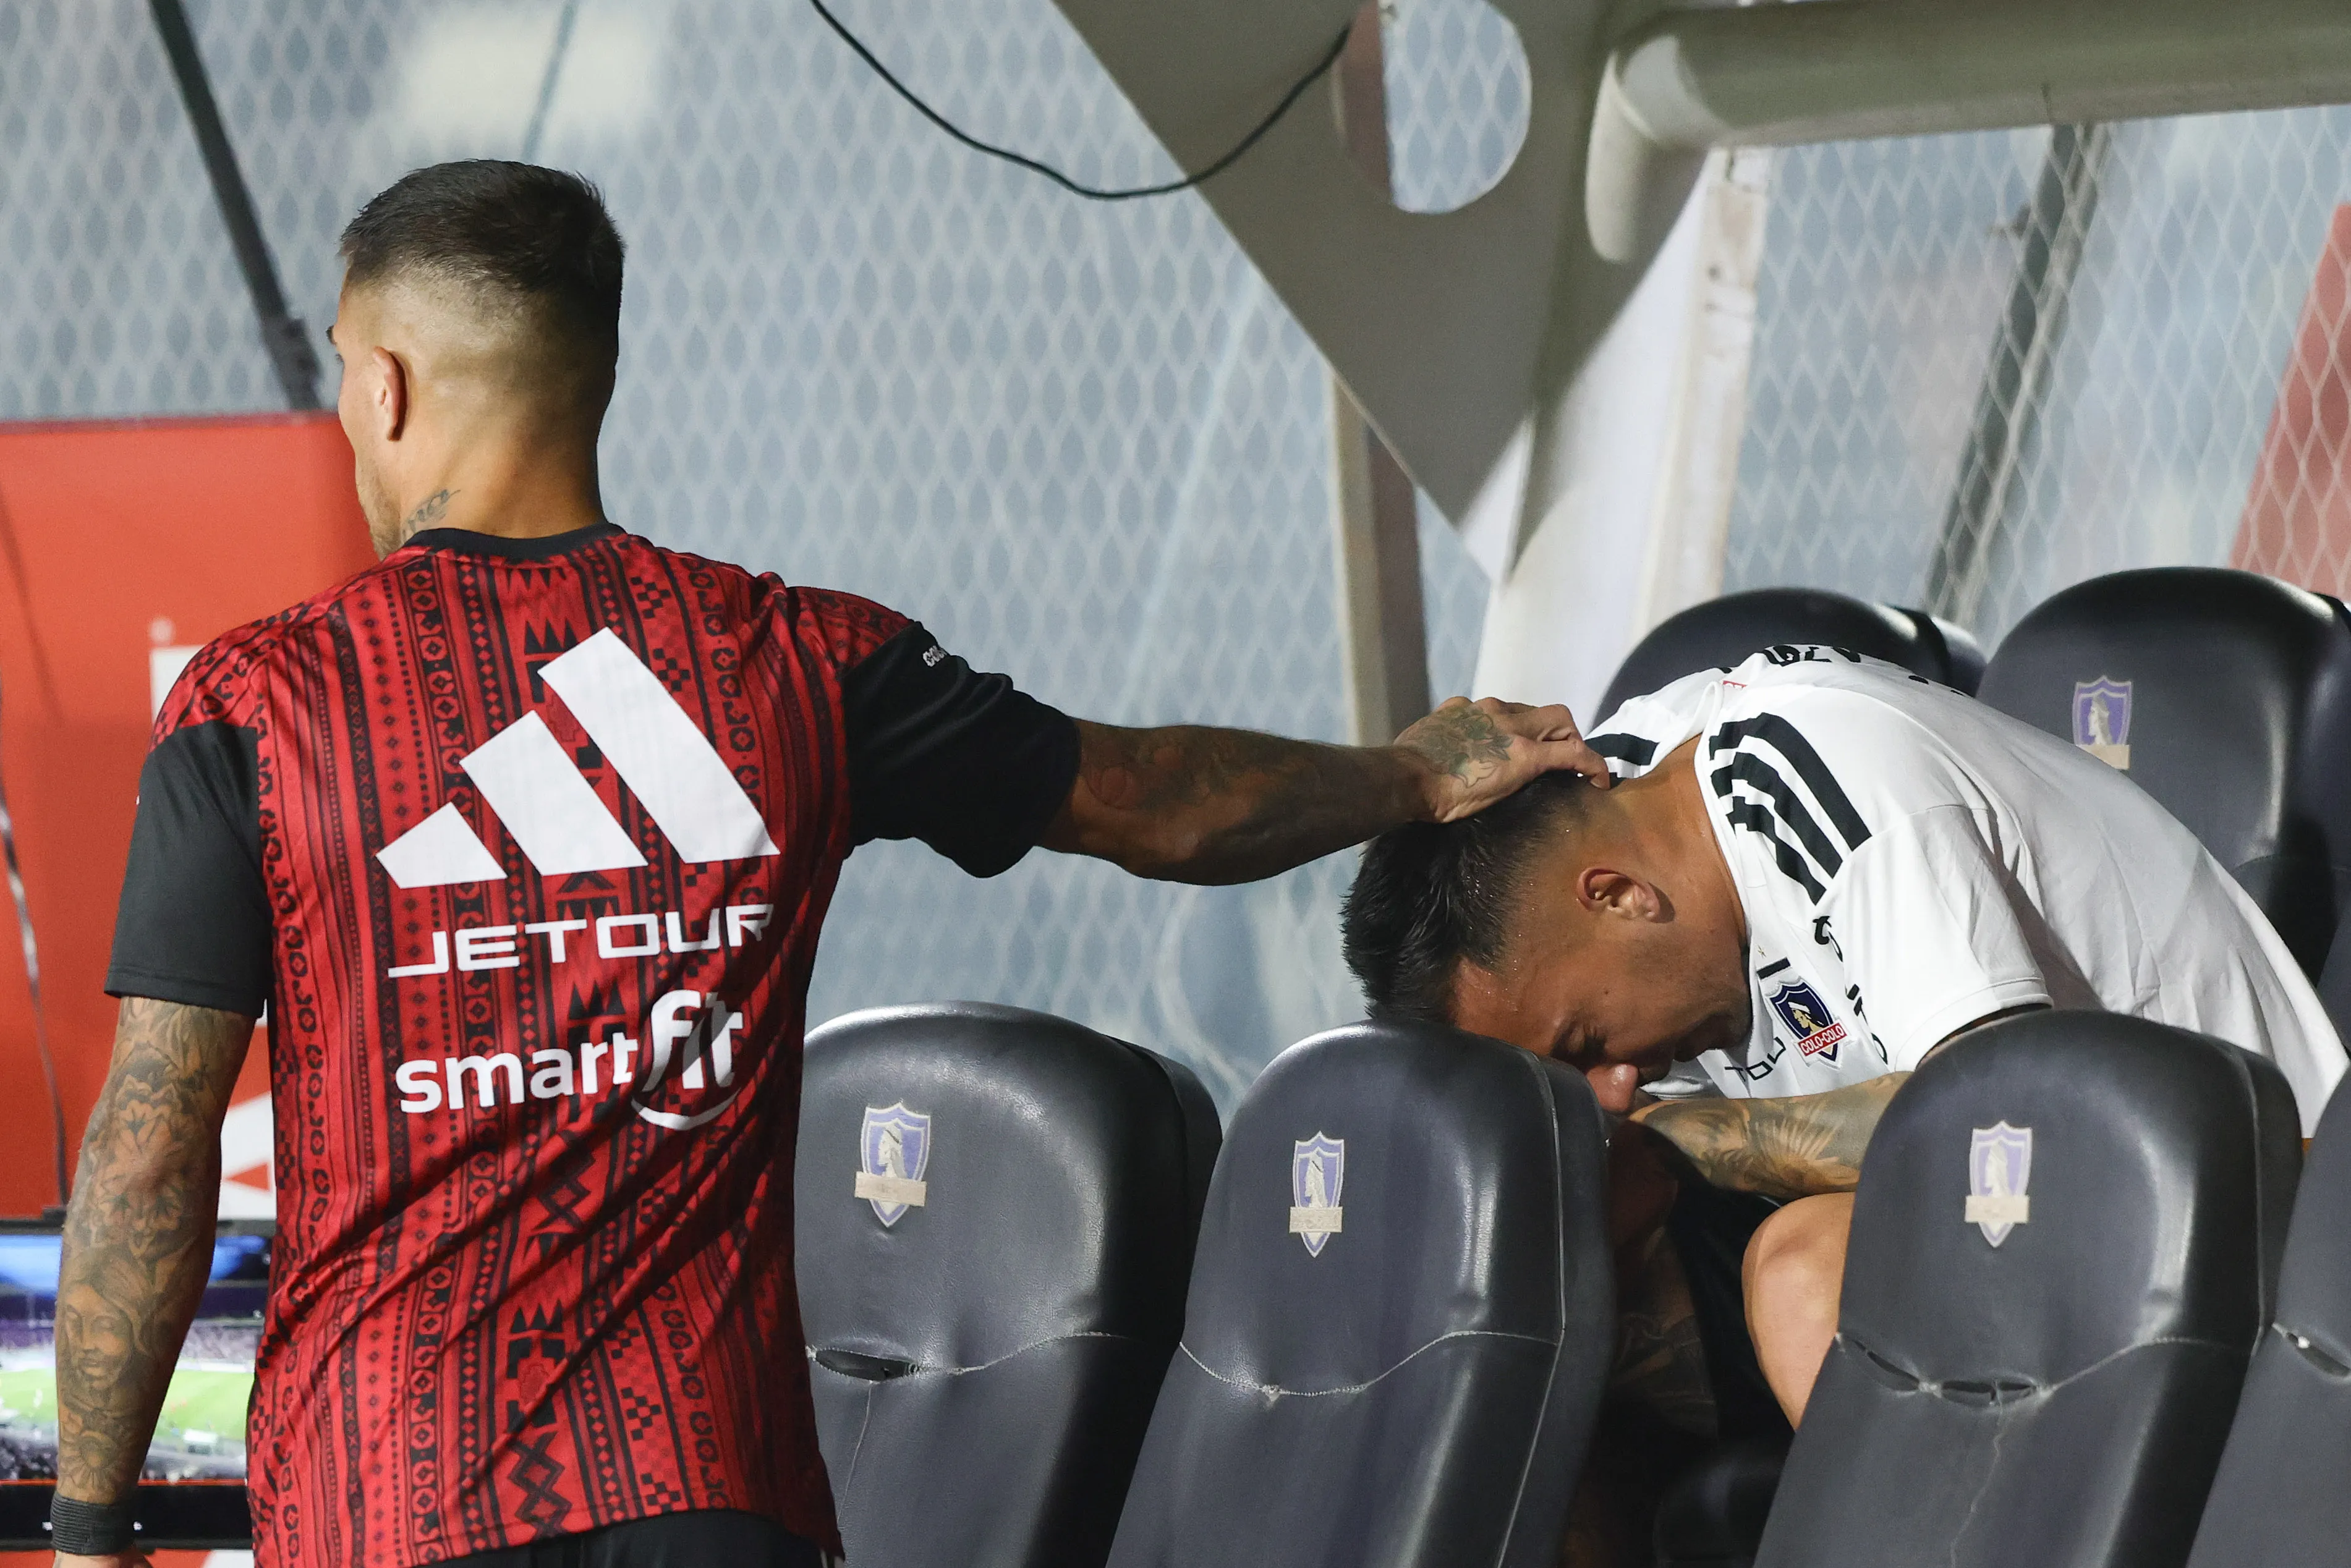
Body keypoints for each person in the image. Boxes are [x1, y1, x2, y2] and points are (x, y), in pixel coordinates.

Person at [48, 160, 1608, 1568]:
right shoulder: (795, 663)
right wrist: (1408, 771)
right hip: (713, 1498)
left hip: (386, 1496)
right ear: (594, 374)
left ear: (383, 385)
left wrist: (91, 1521)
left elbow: (148, 1149)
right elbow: (1154, 802)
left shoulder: (264, 707)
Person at [1341, 642, 2347, 1550]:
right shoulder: (1607, 796)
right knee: (1510, 1312)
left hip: (2251, 1197)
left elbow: (2001, 1125)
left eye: (1589, 1043)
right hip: (2030, 1230)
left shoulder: (1828, 777)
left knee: (1803, 1264)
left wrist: (1677, 1142)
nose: (1612, 1086)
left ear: (1618, 895)